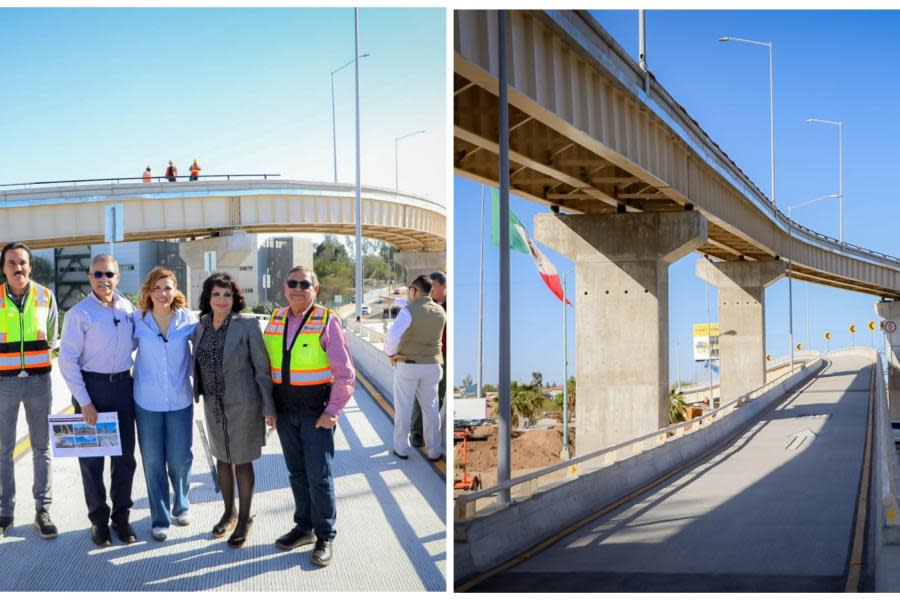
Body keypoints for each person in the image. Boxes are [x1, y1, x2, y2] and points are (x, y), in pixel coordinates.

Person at [264, 266, 355, 568]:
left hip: (317, 412)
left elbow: (344, 373)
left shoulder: (327, 320)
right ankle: (303, 526)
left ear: (315, 289)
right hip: (285, 410)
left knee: (319, 476)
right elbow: (266, 365)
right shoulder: (276, 319)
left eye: (305, 283)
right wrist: (268, 408)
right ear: (284, 287)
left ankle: (325, 535)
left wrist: (333, 412)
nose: (298, 288)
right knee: (296, 473)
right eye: (292, 283)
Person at [59, 254, 137, 546]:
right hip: (93, 389)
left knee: (125, 459)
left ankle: (121, 518)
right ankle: (99, 522)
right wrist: (85, 402)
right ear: (90, 278)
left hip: (122, 388)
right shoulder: (79, 314)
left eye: (109, 274)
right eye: (97, 274)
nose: (104, 279)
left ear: (118, 277)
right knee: (92, 461)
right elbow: (67, 359)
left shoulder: (129, 309)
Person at [193, 273, 275, 546]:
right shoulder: (201, 325)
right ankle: (229, 512)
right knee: (222, 458)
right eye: (216, 294)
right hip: (213, 404)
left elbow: (262, 369)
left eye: (227, 294)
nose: (222, 299)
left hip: (244, 403)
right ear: (208, 297)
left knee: (241, 459)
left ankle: (244, 519)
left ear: (235, 298)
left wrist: (268, 407)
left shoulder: (247, 324)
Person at [132, 266, 197, 542]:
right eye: (157, 288)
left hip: (180, 400)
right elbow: (118, 351)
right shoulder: (137, 319)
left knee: (180, 458)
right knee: (153, 460)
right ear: (149, 290)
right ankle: (159, 518)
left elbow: (208, 351)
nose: (162, 293)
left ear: (175, 290)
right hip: (146, 402)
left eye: (167, 288)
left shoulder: (188, 320)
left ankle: (181, 503)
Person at [0, 242, 58, 540]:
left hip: (39, 382)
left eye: (22, 262)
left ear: (30, 266)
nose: (18, 268)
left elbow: (52, 336)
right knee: (3, 449)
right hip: (4, 384)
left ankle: (43, 510)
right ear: (3, 267)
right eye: (11, 263)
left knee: (42, 448)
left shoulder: (45, 297)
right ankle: (4, 512)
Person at [385, 275, 445, 462]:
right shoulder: (440, 311)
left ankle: (401, 448)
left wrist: (390, 354)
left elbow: (392, 337)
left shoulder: (409, 311)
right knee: (431, 408)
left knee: (404, 407)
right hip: (433, 365)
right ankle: (434, 450)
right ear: (431, 291)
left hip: (409, 365)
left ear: (414, 291)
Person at [409, 271, 447, 449]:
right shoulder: (423, 306)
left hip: (442, 357)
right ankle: (416, 433)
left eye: (434, 287)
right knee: (420, 397)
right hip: (424, 357)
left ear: (443, 286)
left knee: (436, 398)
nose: (430, 291)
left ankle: (432, 437)